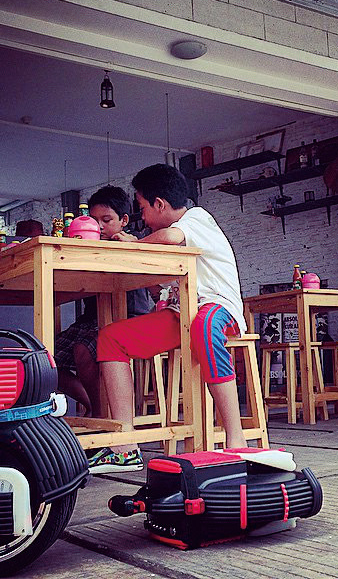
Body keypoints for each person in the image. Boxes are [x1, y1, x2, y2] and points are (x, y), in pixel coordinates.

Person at [87, 163, 248, 474]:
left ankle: (236, 438)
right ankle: (124, 446)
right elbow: (161, 283)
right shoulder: (165, 236)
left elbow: (172, 237)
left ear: (159, 204)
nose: (143, 217)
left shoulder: (196, 218)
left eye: (143, 208)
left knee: (203, 324)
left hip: (218, 308)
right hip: (180, 314)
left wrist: (134, 244)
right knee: (111, 337)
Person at [54, 185, 152, 416]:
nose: (99, 226)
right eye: (94, 220)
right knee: (42, 359)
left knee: (83, 349)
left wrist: (130, 248)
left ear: (124, 220)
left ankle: (99, 416)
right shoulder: (88, 247)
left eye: (106, 220)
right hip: (91, 319)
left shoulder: (134, 243)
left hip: (128, 317)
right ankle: (92, 405)